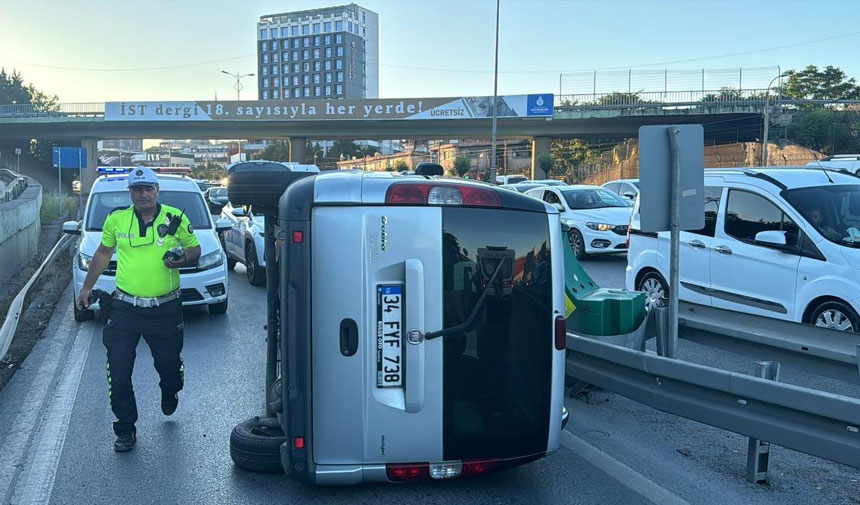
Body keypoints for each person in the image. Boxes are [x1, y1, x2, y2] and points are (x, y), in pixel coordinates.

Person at [75, 166, 201, 452]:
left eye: (148, 189)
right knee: (118, 370)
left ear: (157, 191)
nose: (143, 194)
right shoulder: (116, 219)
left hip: (165, 309)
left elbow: (194, 250)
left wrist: (181, 259)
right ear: (130, 192)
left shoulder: (175, 218)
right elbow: (103, 253)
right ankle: (125, 427)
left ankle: (170, 389)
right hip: (125, 308)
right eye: (137, 189)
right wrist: (85, 288)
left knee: (169, 367)